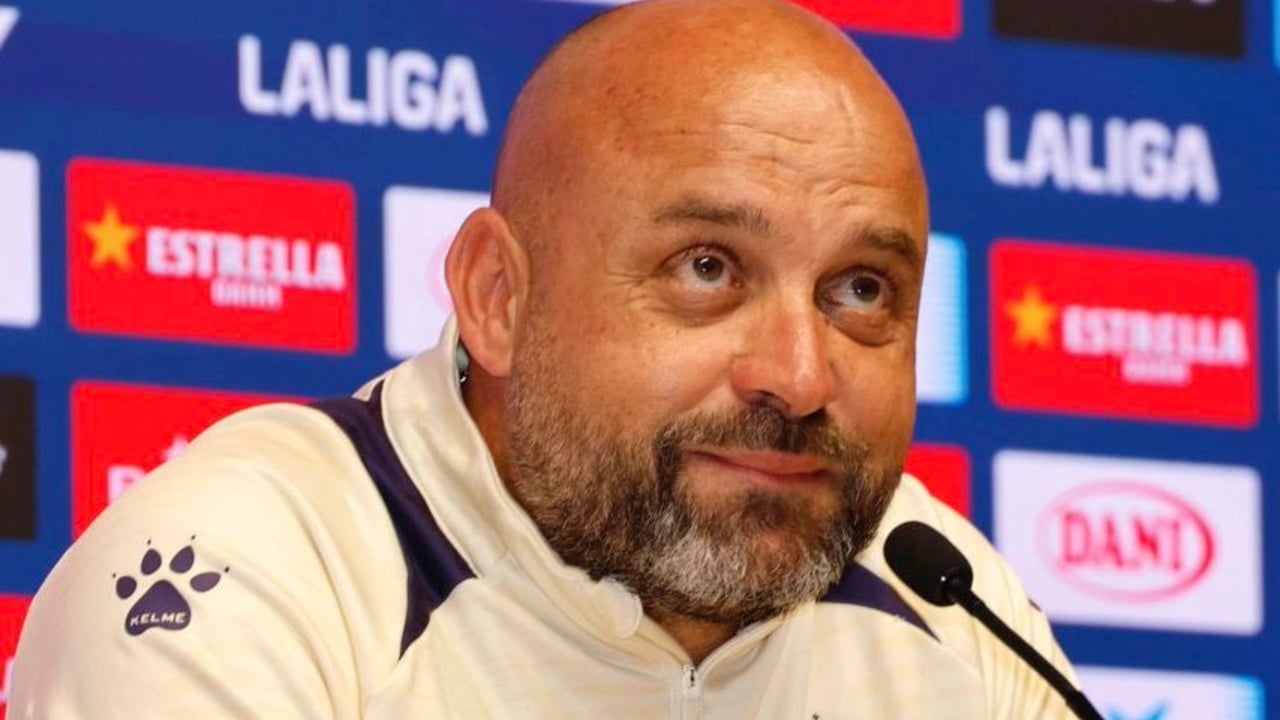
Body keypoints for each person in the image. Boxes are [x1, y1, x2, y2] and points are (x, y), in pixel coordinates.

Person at [12, 0, 1084, 716]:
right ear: (498, 298)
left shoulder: (940, 599)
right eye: (707, 269)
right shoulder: (251, 576)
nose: (799, 376)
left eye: (860, 292)